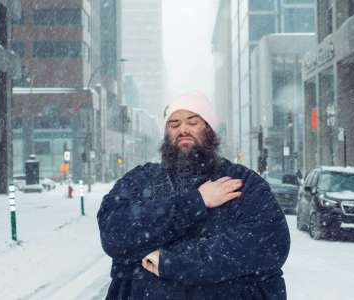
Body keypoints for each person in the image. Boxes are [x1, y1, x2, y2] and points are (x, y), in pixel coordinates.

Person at [97, 91, 290, 300]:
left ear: (209, 128)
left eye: (192, 121)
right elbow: (114, 233)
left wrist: (170, 261)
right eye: (174, 124)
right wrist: (196, 202)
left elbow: (268, 245)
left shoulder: (242, 183)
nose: (183, 130)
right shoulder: (141, 179)